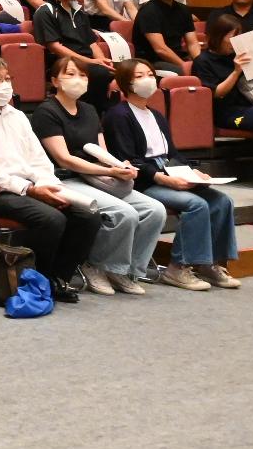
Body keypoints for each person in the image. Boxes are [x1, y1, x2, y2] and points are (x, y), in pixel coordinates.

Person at [0, 54, 102, 303]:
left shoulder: (16, 115)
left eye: (8, 79)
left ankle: (57, 278)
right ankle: (34, 280)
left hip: (30, 187)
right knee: (51, 218)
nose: (5, 85)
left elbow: (38, 158)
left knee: (88, 216)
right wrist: (30, 190)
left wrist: (47, 185)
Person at [30, 56, 168, 295]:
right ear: (55, 80)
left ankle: (126, 271)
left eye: (82, 75)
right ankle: (96, 265)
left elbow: (101, 151)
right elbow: (65, 159)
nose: (78, 80)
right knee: (124, 213)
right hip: (64, 178)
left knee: (155, 210)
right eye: (70, 74)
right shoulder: (46, 111)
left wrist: (119, 166)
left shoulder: (90, 109)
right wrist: (108, 170)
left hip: (95, 175)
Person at [103, 57, 241, 290]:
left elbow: (173, 152)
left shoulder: (156, 114)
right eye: (139, 76)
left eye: (149, 74)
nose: (147, 79)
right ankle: (178, 268)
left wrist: (192, 173)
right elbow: (130, 160)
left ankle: (209, 264)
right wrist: (164, 179)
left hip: (169, 173)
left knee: (222, 201)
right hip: (144, 182)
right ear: (126, 83)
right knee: (196, 204)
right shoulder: (118, 115)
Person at [192, 12, 253, 134]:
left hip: (251, 105)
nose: (235, 43)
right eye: (232, 38)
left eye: (238, 38)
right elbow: (217, 93)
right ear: (218, 36)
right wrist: (236, 71)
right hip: (227, 116)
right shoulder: (202, 61)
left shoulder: (236, 55)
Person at [31, 0, 114, 103]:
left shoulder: (79, 12)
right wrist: (92, 62)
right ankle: (97, 113)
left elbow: (92, 43)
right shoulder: (45, 11)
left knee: (124, 71)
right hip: (62, 63)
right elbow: (55, 47)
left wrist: (102, 61)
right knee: (100, 74)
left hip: (88, 62)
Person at [132, 0, 200, 74]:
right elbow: (160, 49)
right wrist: (184, 65)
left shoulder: (183, 9)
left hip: (178, 56)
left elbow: (192, 43)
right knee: (189, 73)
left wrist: (199, 63)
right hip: (153, 61)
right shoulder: (148, 11)